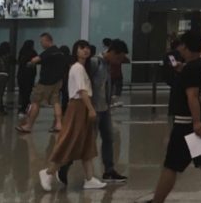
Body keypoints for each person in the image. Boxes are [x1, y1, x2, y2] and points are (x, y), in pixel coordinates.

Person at [147, 31, 201, 203]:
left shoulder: (190, 69)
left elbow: (192, 96)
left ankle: (157, 201)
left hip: (187, 124)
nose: (180, 48)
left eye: (182, 45)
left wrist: (196, 121)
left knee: (171, 166)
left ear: (186, 47)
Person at [38, 40, 106, 191]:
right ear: (76, 51)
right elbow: (82, 91)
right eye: (82, 48)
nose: (85, 50)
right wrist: (91, 109)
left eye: (87, 48)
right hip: (78, 107)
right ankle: (48, 173)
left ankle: (89, 178)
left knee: (87, 143)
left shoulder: (81, 68)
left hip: (81, 107)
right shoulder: (77, 68)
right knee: (69, 141)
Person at [59, 40, 129, 185]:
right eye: (118, 57)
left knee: (108, 139)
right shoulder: (94, 63)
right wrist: (88, 108)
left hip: (104, 109)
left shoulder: (108, 64)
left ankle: (109, 171)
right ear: (112, 52)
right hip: (93, 109)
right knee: (85, 142)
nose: (119, 61)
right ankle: (65, 165)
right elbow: (83, 85)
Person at [17, 33, 66, 133]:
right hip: (57, 82)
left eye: (42, 42)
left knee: (35, 102)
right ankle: (58, 124)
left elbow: (35, 60)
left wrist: (31, 62)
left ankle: (28, 126)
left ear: (48, 40)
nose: (41, 44)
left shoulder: (48, 52)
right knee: (56, 103)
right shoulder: (60, 53)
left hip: (45, 82)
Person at [16, 40, 37, 117]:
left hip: (21, 76)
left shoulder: (21, 52)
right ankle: (24, 108)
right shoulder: (33, 53)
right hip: (29, 76)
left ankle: (23, 108)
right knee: (27, 93)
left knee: (22, 92)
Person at [108, 39, 130, 107]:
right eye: (118, 58)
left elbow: (127, 60)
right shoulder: (100, 63)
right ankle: (112, 101)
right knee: (114, 88)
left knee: (116, 88)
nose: (119, 61)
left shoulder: (119, 56)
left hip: (116, 75)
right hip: (113, 75)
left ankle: (113, 101)